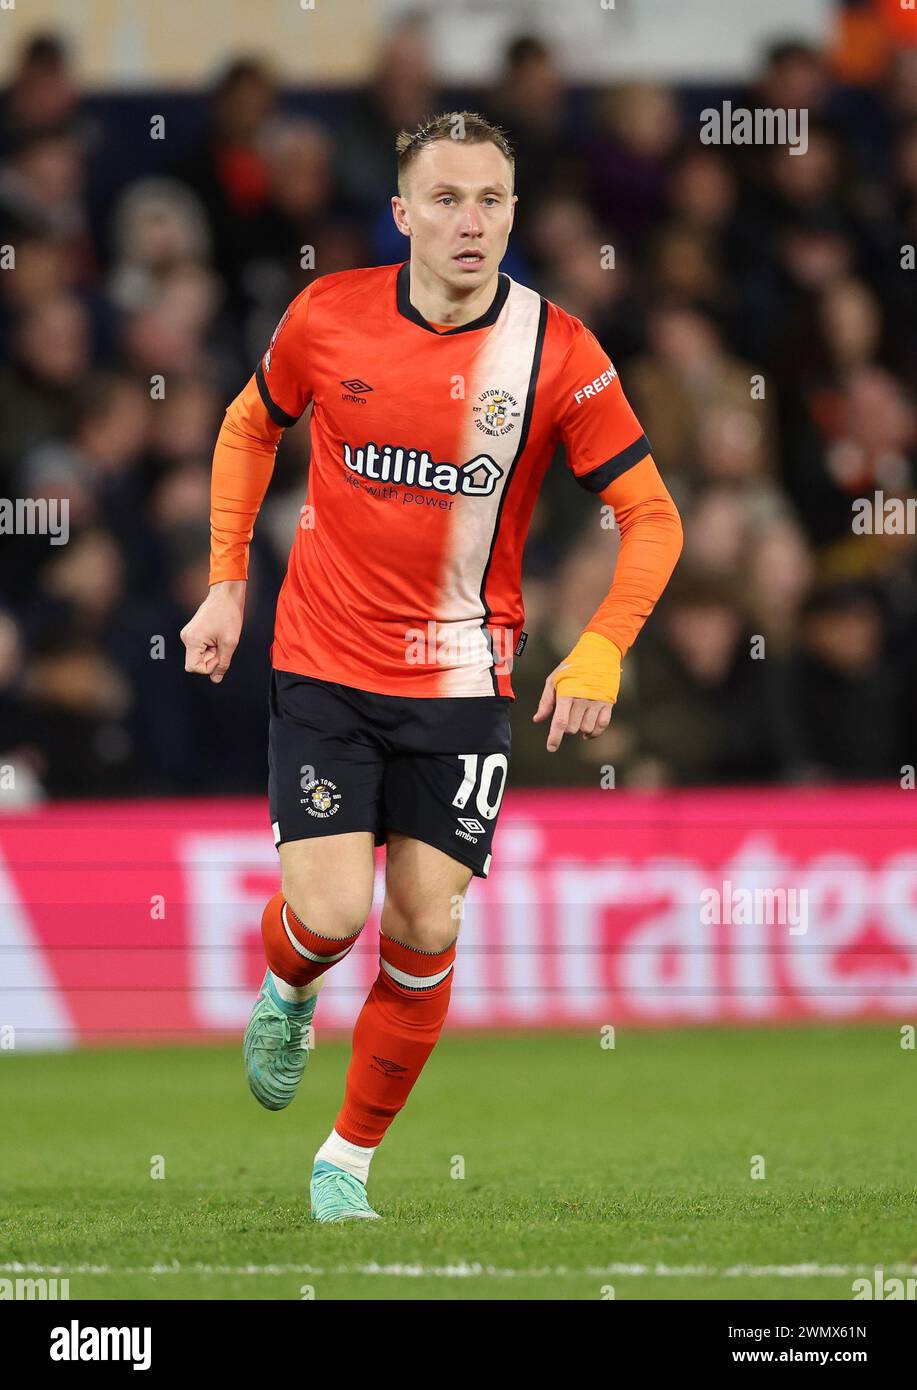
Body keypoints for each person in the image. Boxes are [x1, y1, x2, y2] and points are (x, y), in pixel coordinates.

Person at [180, 111, 683, 1223]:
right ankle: (287, 981)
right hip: (323, 655)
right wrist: (227, 582)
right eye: (446, 199)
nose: (471, 221)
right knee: (327, 915)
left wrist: (599, 643)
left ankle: (344, 1163)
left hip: (462, 676)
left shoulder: (556, 352)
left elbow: (649, 517)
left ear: (513, 214)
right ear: (401, 213)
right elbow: (247, 425)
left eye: (491, 201)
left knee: (424, 922)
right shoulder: (328, 316)